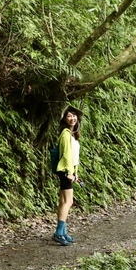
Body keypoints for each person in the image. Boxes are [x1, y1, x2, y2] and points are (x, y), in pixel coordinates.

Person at [53, 105, 83, 246]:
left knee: (63, 201)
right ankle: (59, 233)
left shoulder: (72, 134)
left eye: (74, 115)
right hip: (65, 171)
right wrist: (69, 173)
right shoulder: (65, 133)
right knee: (68, 202)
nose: (72, 118)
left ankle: (63, 232)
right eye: (69, 116)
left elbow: (74, 156)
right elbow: (65, 155)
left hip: (68, 170)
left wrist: (75, 171)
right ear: (65, 118)